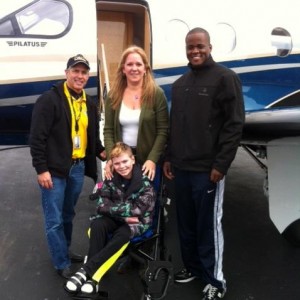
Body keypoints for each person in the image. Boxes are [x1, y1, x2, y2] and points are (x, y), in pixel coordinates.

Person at [163, 28, 245, 300]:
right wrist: (168, 158)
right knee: (185, 224)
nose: (195, 51)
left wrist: (221, 164)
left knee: (208, 226)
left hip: (208, 171)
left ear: (209, 46)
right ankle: (194, 268)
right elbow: (176, 126)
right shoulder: (180, 83)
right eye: (190, 47)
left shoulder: (225, 78)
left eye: (200, 46)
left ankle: (216, 280)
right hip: (181, 169)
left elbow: (234, 125)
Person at [29, 54, 106, 279]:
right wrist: (41, 169)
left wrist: (105, 153)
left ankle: (65, 249)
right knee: (54, 220)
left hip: (77, 168)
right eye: (76, 71)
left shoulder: (88, 103)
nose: (79, 76)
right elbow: (36, 137)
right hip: (54, 171)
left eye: (84, 72)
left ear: (87, 76)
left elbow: (92, 137)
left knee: (68, 214)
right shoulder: (50, 100)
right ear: (66, 73)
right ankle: (60, 261)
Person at [64, 142, 156, 295]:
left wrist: (114, 210)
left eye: (125, 161)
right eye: (117, 163)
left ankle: (89, 274)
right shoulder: (111, 179)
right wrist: (124, 215)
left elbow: (138, 210)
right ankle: (90, 276)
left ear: (133, 159)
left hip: (137, 224)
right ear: (112, 164)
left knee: (123, 234)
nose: (122, 166)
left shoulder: (145, 183)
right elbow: (101, 205)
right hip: (124, 220)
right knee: (97, 225)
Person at [103, 45, 169, 185]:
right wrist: (111, 158)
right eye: (130, 64)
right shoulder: (113, 96)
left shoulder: (157, 94)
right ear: (123, 69)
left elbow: (163, 131)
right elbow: (108, 130)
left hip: (148, 163)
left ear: (145, 69)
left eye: (139, 64)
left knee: (148, 203)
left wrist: (152, 160)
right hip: (122, 163)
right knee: (123, 204)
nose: (134, 68)